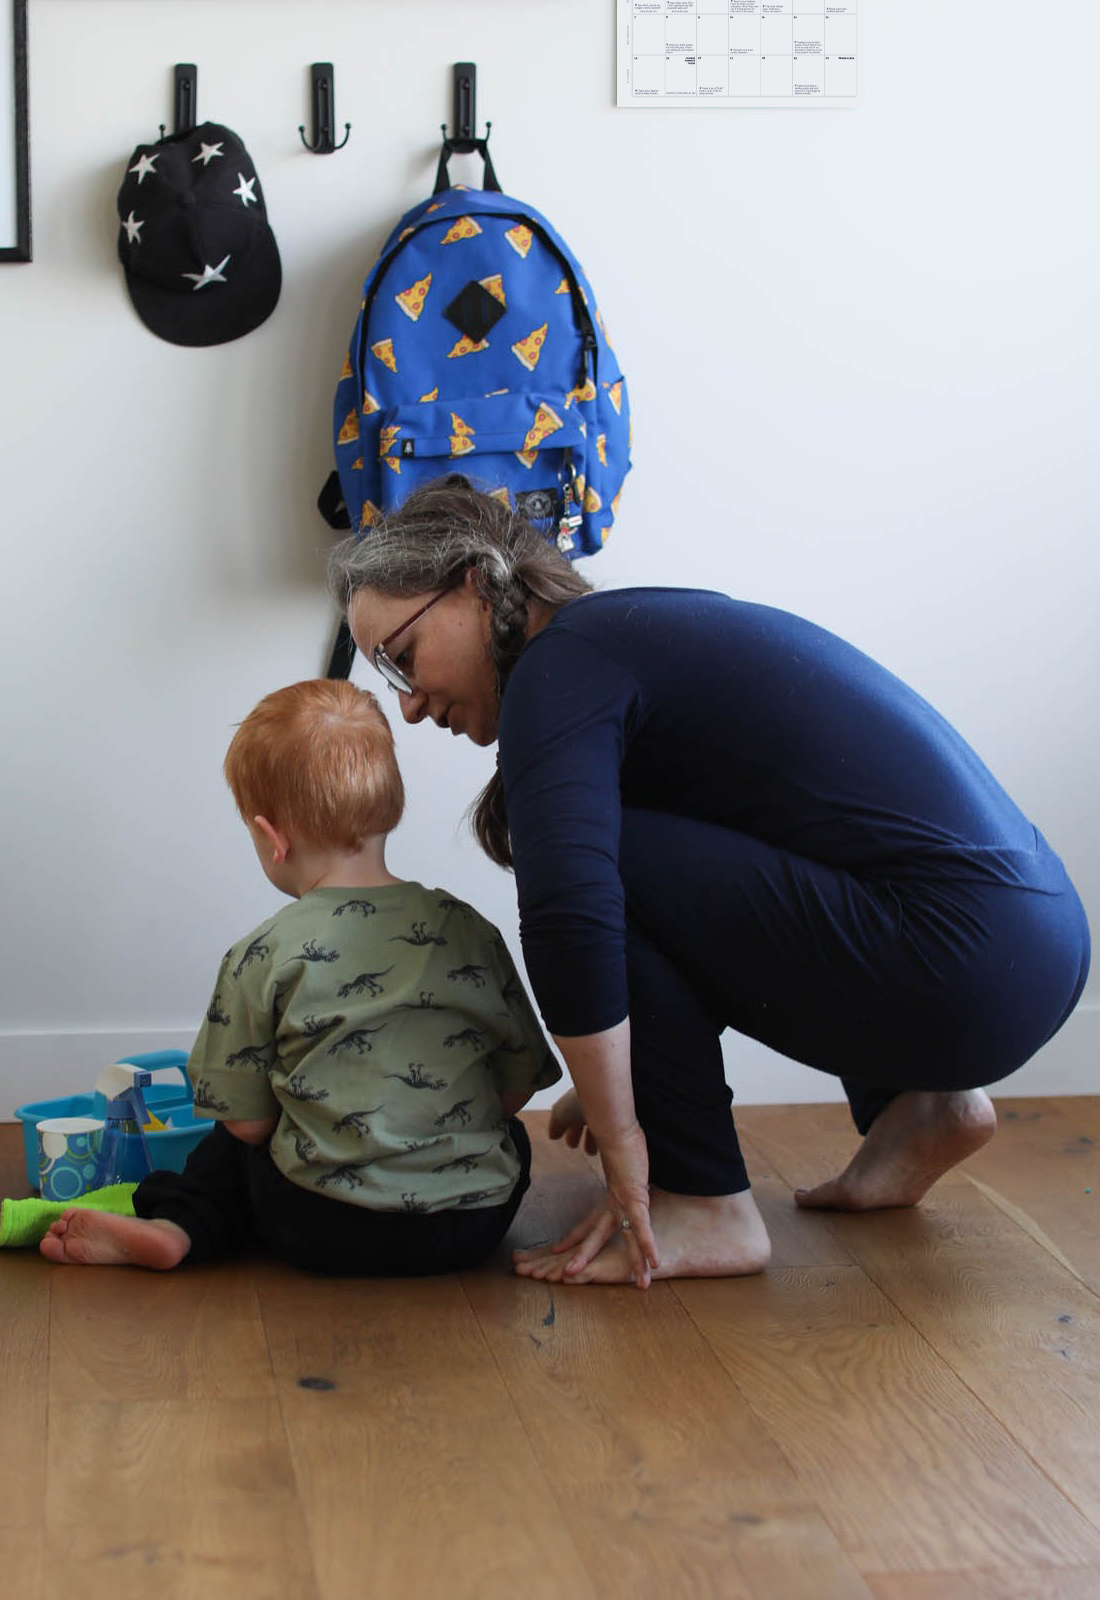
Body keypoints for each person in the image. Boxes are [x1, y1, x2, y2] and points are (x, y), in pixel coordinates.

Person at [326, 475, 1091, 1287]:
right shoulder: (618, 639)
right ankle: (925, 1104)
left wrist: (628, 1144)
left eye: (400, 659)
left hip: (961, 958)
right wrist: (630, 1074)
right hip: (1034, 943)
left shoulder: (559, 669)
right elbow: (734, 887)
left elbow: (573, 920)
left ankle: (705, 1203)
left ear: (474, 585)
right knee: (666, 841)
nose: (406, 707)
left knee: (599, 859)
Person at [40, 678, 561, 1275]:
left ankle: (178, 1226)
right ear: (390, 805)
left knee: (228, 1149)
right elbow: (516, 1087)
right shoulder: (471, 932)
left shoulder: (261, 955)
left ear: (271, 837)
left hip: (321, 1226)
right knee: (510, 1141)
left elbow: (248, 1122)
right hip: (473, 1225)